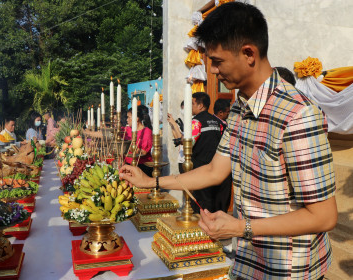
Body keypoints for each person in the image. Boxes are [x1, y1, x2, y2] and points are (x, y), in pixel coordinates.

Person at [120, 3, 337, 280]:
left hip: (287, 270)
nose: (212, 71)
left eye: (218, 61)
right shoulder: (239, 108)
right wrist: (151, 182)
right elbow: (214, 171)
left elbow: (324, 216)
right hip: (250, 260)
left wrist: (240, 228)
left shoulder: (298, 115)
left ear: (248, 53)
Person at [188, 92, 231, 213]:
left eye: (192, 103)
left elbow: (188, 145)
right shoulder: (216, 121)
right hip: (216, 167)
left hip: (200, 168)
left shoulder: (196, 122)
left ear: (200, 106)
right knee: (215, 203)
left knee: (202, 204)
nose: (190, 106)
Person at [124, 105, 153, 176]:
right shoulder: (127, 130)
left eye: (128, 117)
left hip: (142, 166)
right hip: (128, 164)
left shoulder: (146, 131)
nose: (127, 120)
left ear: (136, 118)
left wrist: (127, 146)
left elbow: (143, 152)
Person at [167, 101, 185, 173]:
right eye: (182, 109)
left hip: (187, 158)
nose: (182, 111)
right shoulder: (183, 121)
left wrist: (174, 124)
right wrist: (172, 125)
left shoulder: (193, 122)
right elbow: (177, 138)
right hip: (181, 157)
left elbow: (183, 140)